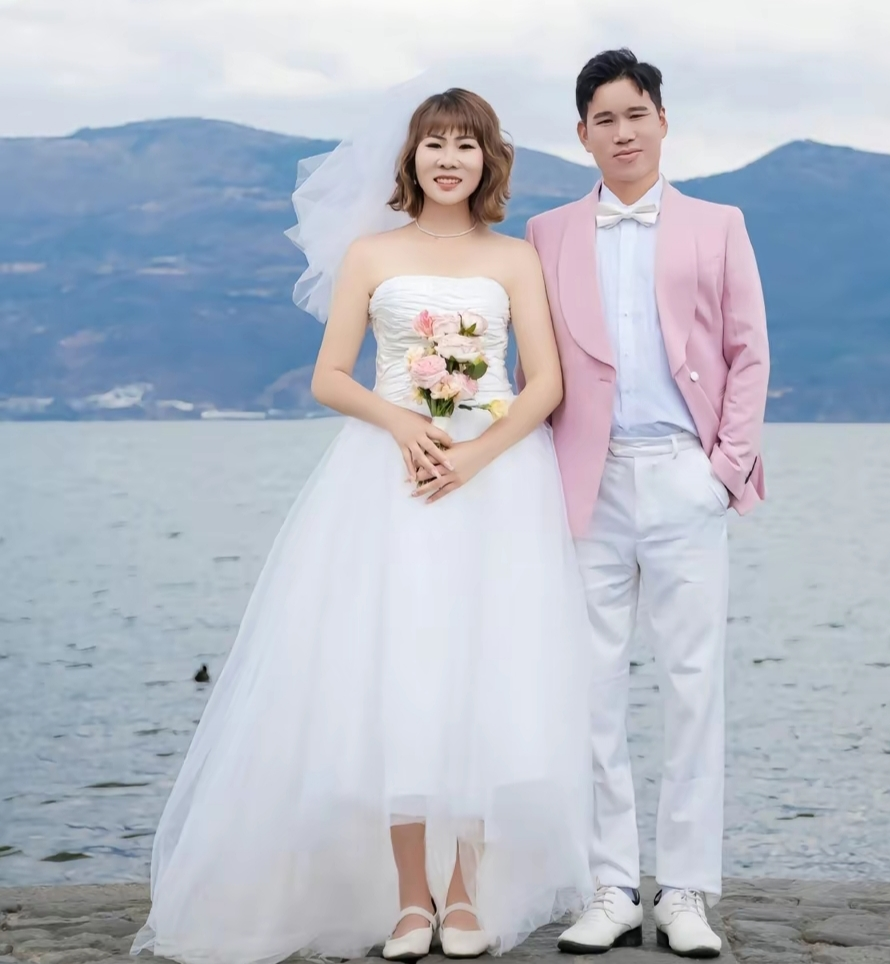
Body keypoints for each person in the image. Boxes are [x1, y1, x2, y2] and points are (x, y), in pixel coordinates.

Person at [131, 87, 593, 964]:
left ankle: (466, 891)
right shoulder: (371, 253)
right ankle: (411, 897)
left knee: (485, 670)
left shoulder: (515, 258)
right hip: (391, 482)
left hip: (494, 484)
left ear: (489, 159)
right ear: (410, 157)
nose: (449, 159)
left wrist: (474, 455)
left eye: (466, 144)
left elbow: (545, 384)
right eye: (434, 143)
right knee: (400, 672)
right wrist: (404, 424)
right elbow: (331, 376)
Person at [522, 49, 770, 957]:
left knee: (694, 685)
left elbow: (749, 351)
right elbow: (533, 365)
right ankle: (612, 885)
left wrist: (722, 470)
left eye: (636, 115)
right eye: (605, 119)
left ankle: (687, 890)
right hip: (584, 482)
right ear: (581, 134)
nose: (622, 132)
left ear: (662, 121)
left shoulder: (718, 224)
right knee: (588, 687)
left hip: (682, 474)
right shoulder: (546, 233)